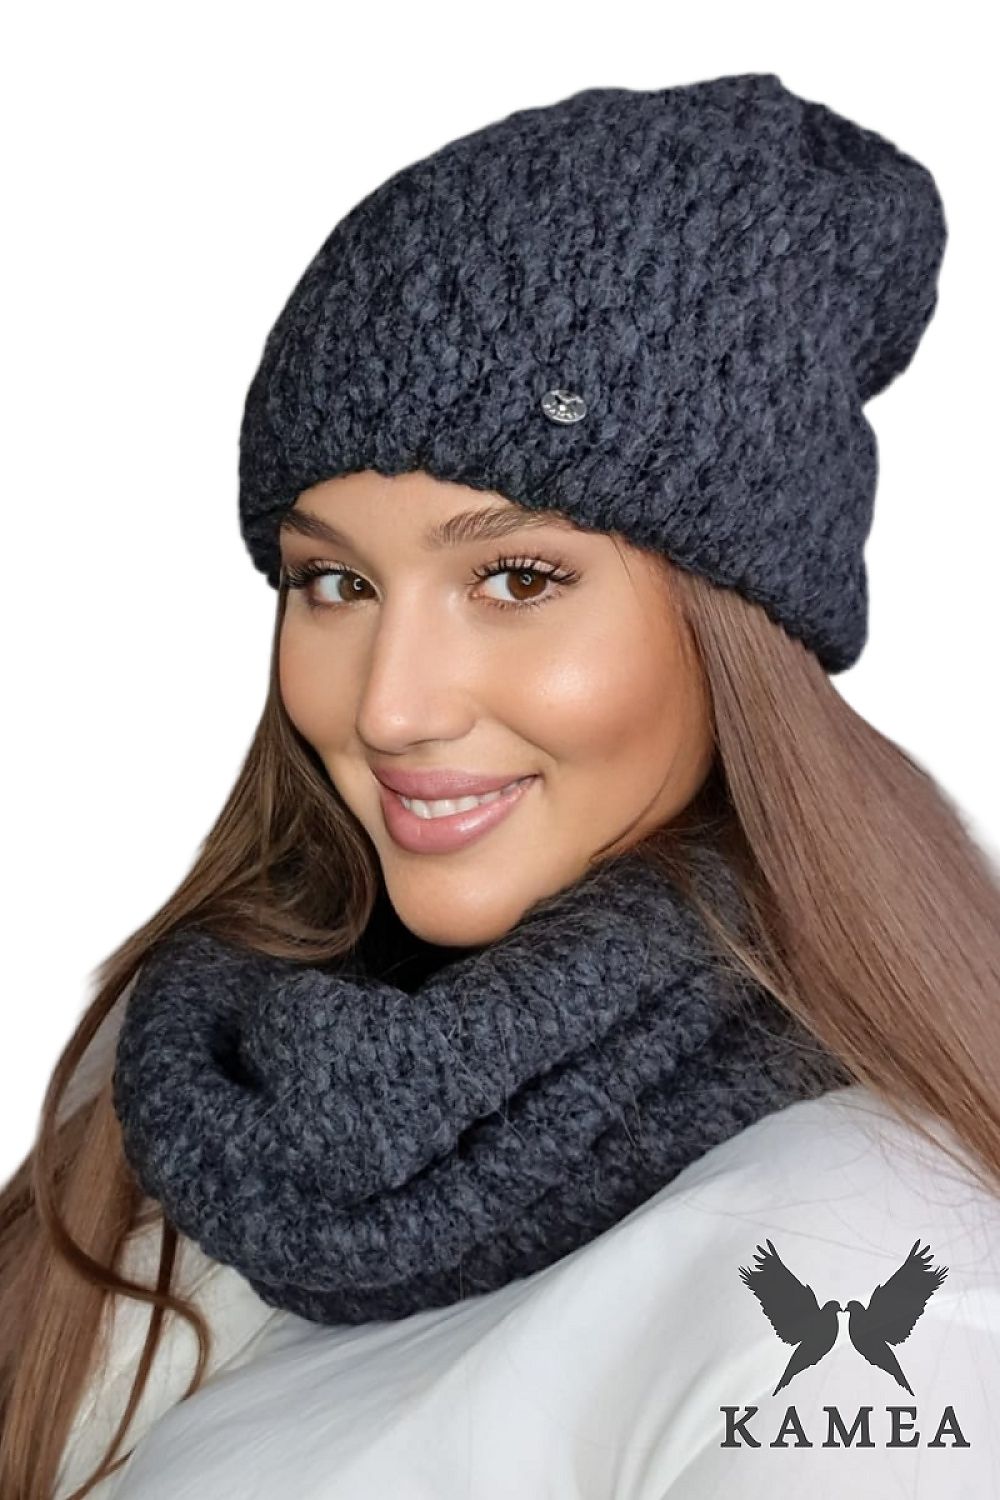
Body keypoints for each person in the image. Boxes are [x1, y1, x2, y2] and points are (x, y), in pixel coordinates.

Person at [1, 71, 998, 1500]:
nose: (390, 706)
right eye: (335, 582)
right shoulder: (200, 1067)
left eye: (517, 577)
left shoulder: (863, 1284)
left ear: (739, 626)